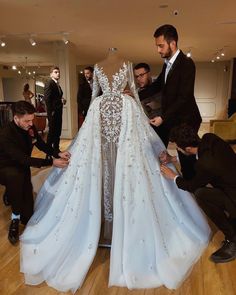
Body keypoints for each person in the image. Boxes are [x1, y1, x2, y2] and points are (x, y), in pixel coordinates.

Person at [20, 48, 210, 293]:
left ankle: (101, 221)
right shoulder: (126, 64)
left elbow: (96, 93)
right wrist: (146, 123)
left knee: (101, 160)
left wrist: (89, 121)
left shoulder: (98, 67)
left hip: (99, 110)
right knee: (128, 160)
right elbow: (133, 90)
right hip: (125, 109)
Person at [160, 124, 236, 263]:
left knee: (200, 193)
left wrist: (173, 176)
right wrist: (172, 159)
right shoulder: (210, 138)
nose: (177, 149)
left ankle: (232, 238)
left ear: (187, 148)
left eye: (178, 147)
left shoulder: (205, 165)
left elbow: (191, 185)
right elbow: (196, 155)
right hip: (232, 186)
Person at [0, 101, 70, 245]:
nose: (30, 124)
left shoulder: (30, 126)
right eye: (27, 121)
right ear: (16, 118)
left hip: (22, 166)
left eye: (32, 120)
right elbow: (22, 158)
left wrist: (57, 153)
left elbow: (41, 144)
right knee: (15, 180)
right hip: (6, 167)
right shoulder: (5, 134)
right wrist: (51, 163)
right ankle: (14, 219)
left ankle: (12, 196)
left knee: (28, 216)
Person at [141, 24, 202, 180]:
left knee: (187, 161)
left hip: (187, 120)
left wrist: (163, 117)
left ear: (172, 43)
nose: (158, 50)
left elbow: (184, 97)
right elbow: (157, 86)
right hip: (172, 118)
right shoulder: (166, 64)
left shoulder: (187, 64)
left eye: (161, 46)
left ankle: (192, 192)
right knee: (157, 142)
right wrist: (134, 95)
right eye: (157, 46)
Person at [44, 66, 66, 153]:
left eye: (58, 72)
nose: (58, 73)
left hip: (58, 111)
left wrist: (62, 100)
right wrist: (51, 112)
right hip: (53, 112)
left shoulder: (57, 84)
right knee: (52, 133)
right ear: (51, 74)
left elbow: (56, 97)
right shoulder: (49, 83)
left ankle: (56, 150)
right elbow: (47, 99)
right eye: (56, 72)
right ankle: (48, 152)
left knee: (57, 131)